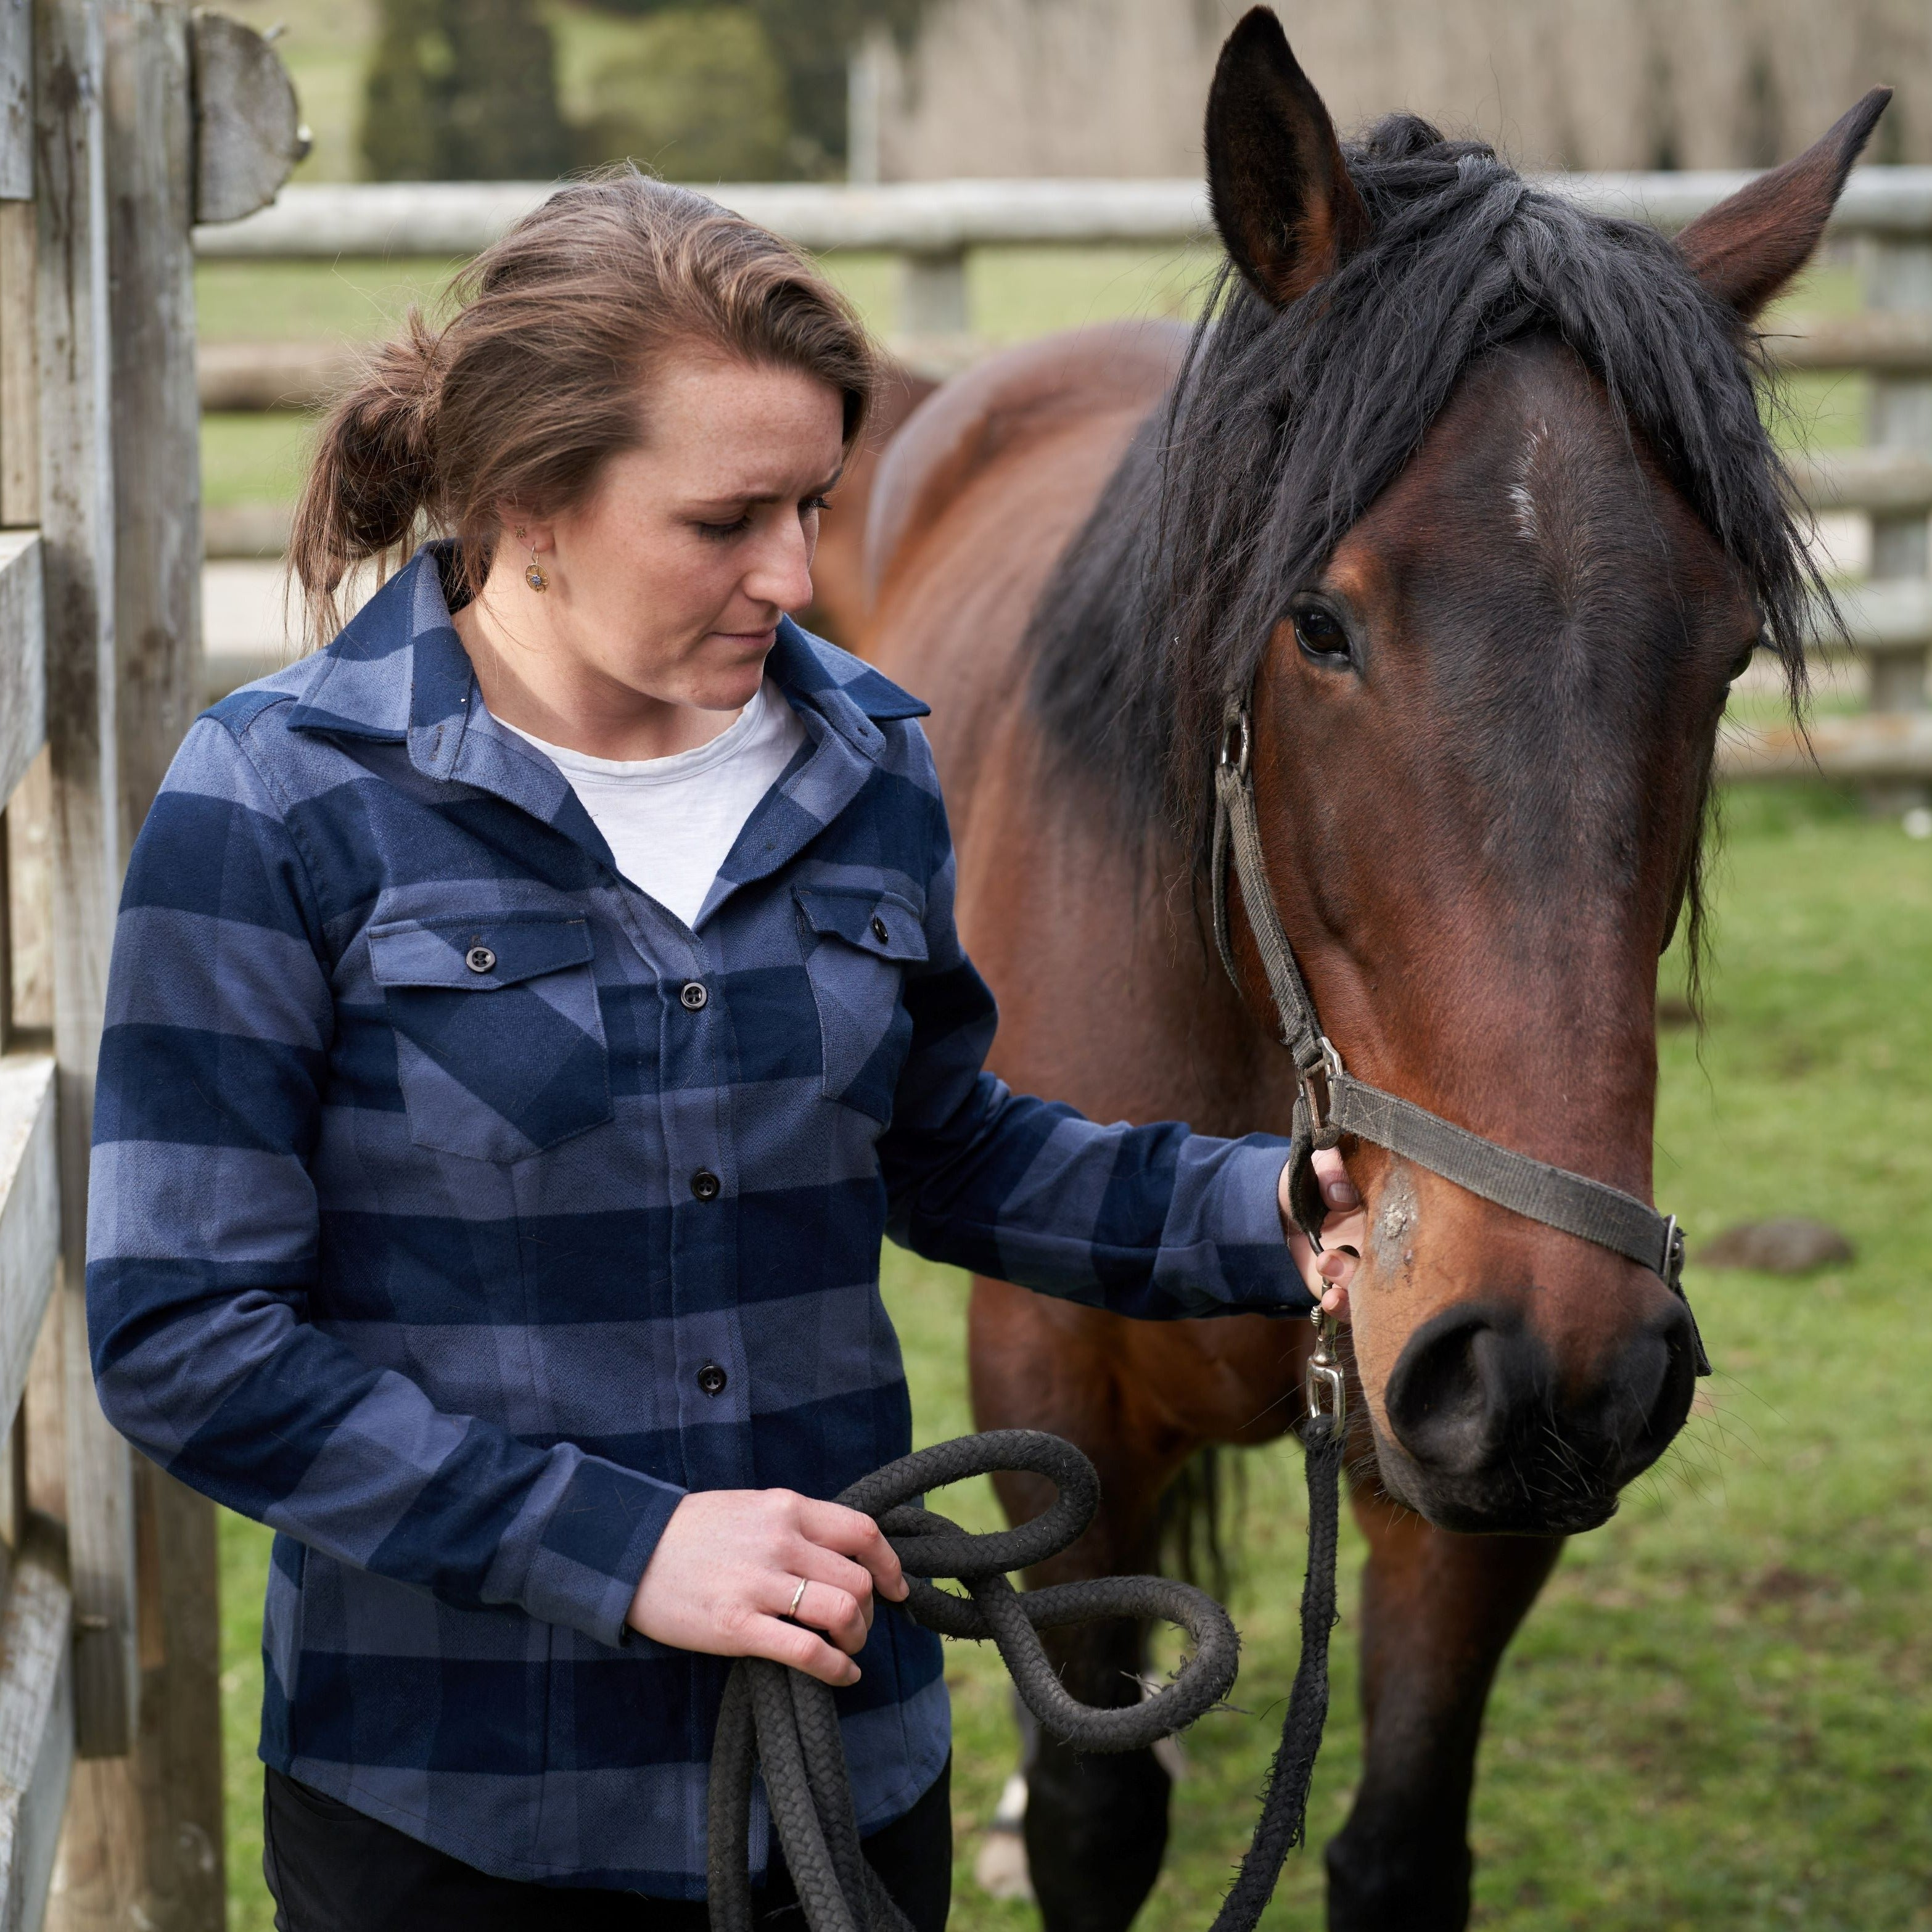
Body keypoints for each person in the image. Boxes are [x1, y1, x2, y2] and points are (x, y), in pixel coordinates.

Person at [86, 171, 1362, 1932]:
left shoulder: (870, 763)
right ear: (530, 503)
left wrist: (1280, 1209)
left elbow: (946, 1146)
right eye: (726, 519)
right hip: (459, 1815)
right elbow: (183, 1339)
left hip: (841, 1779)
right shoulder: (278, 802)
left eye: (816, 503)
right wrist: (632, 1554)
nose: (800, 573)